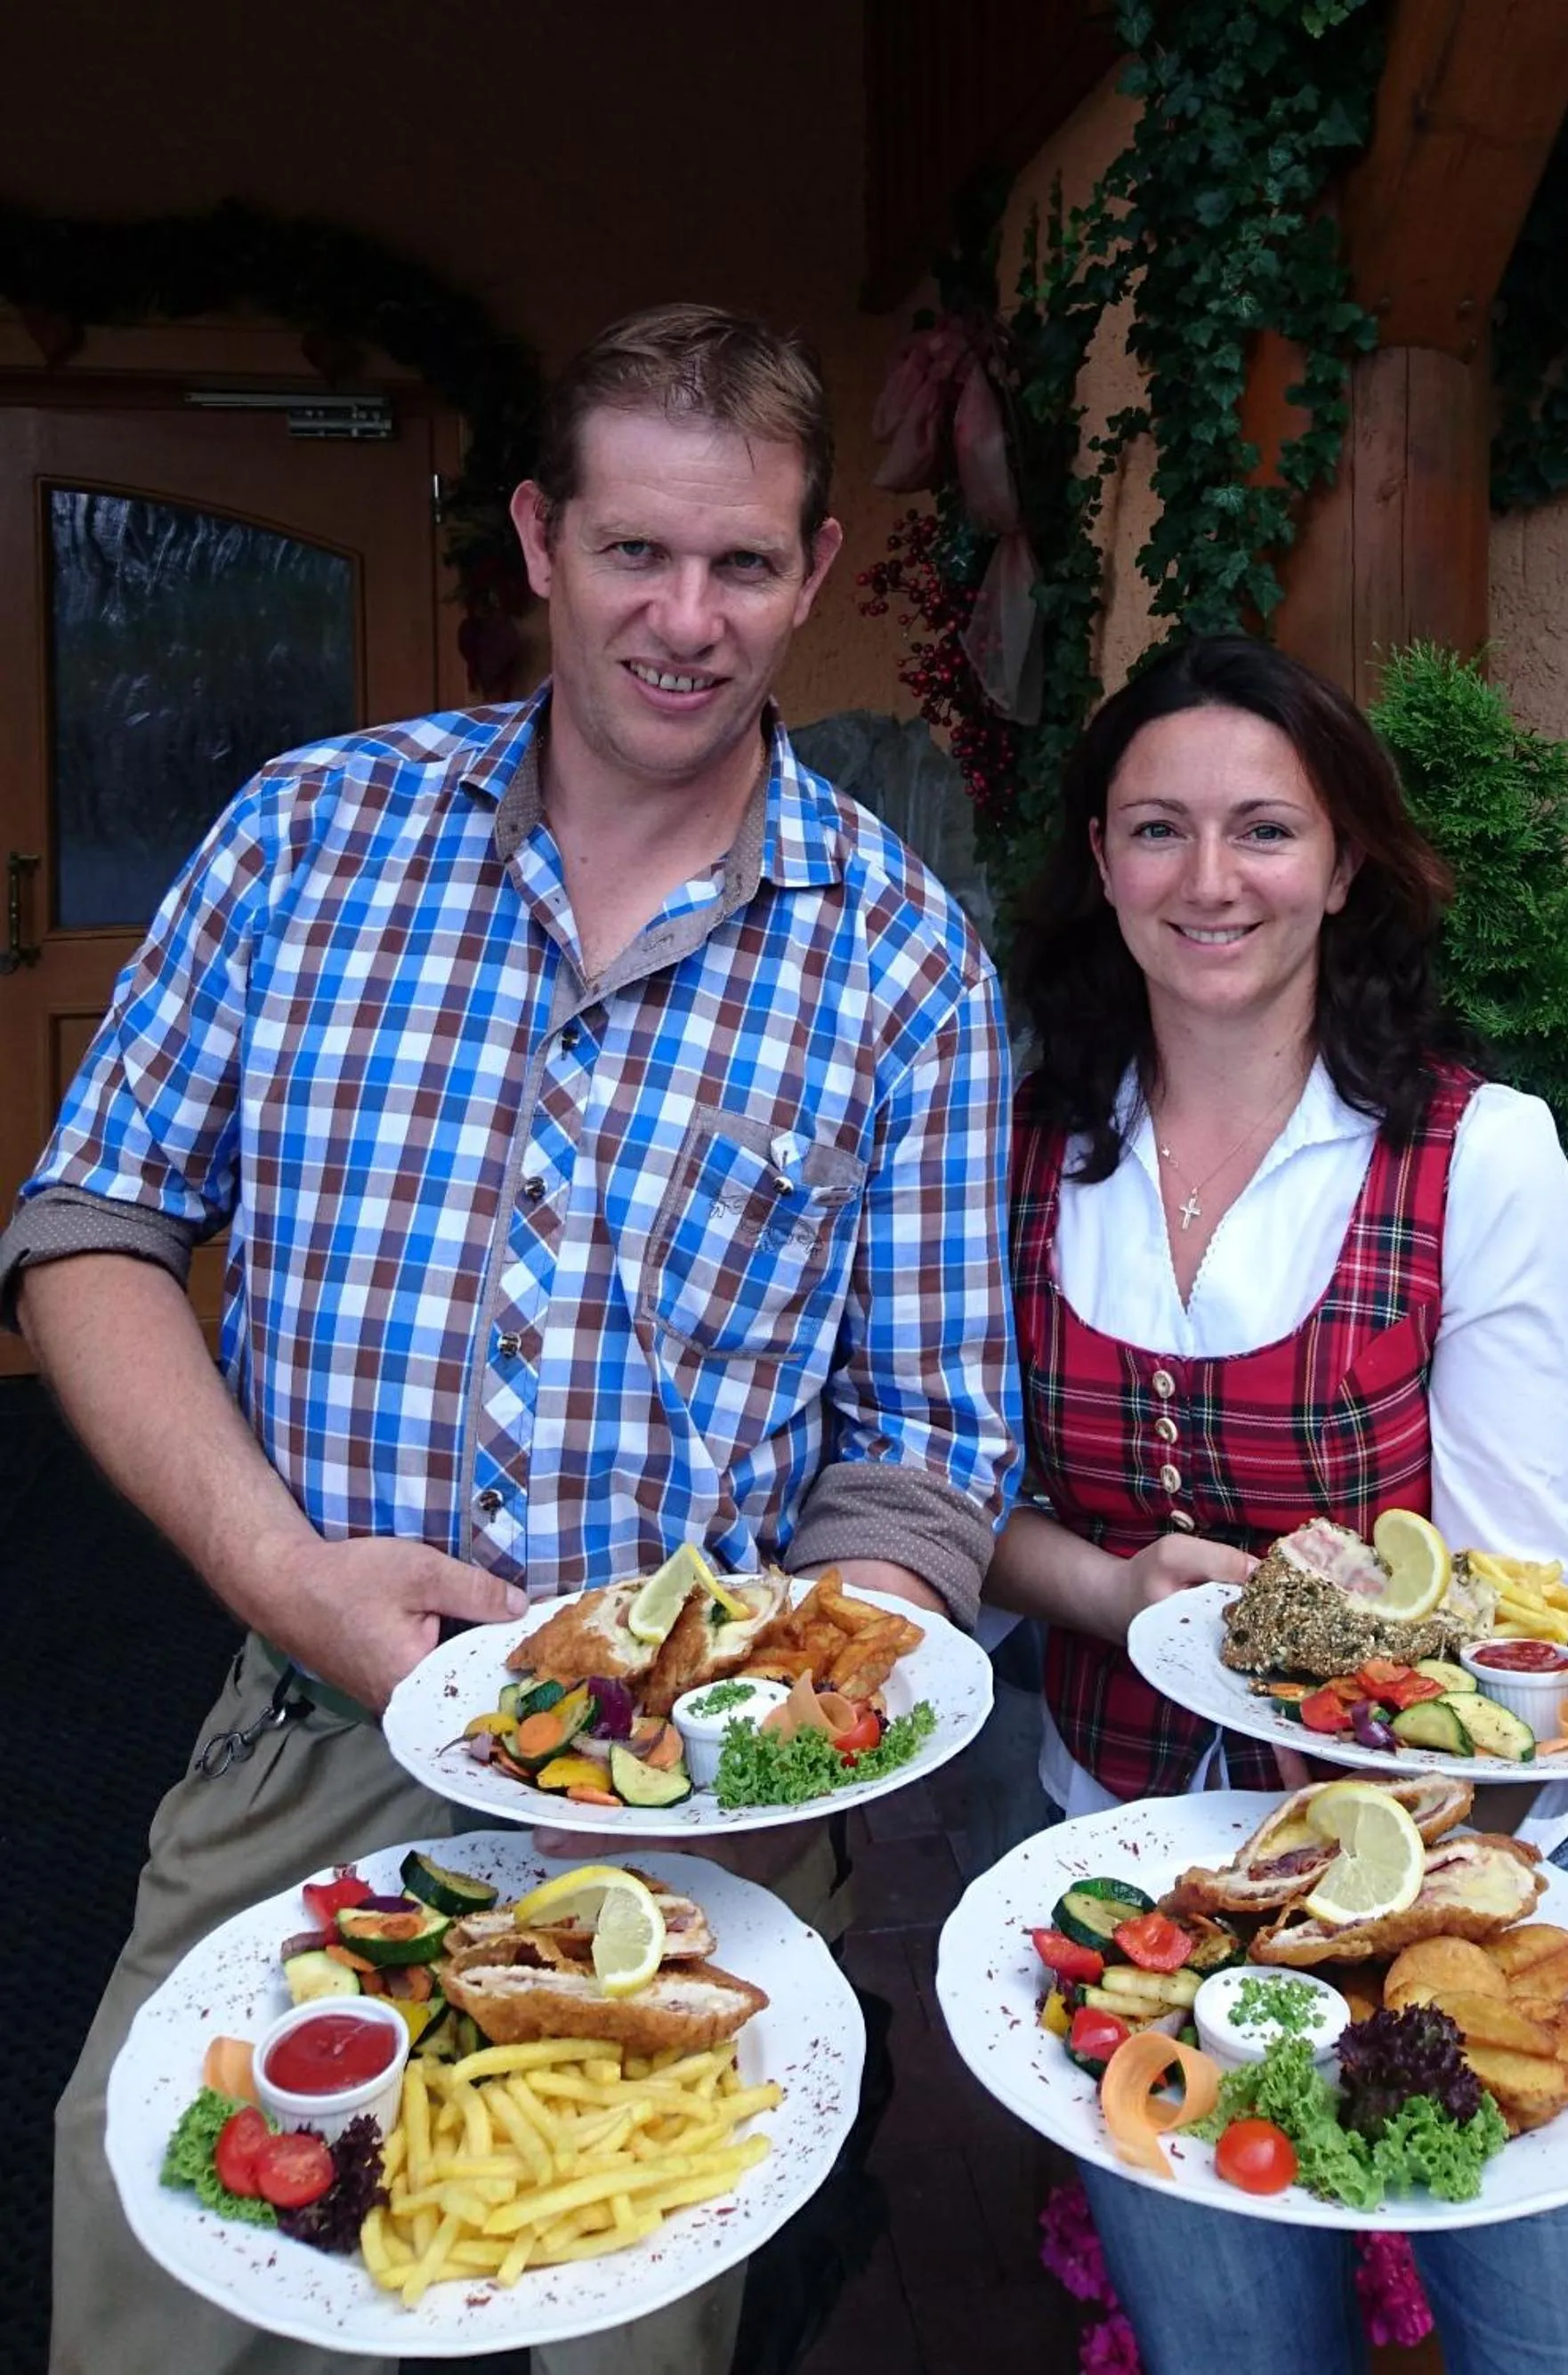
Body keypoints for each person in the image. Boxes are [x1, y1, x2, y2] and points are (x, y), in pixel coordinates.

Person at [4, 302, 1021, 2375]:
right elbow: (88, 1226)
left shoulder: (905, 961)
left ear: (818, 570)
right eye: (637, 549)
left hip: (684, 1822)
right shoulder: (311, 835)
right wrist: (281, 1572)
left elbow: (920, 1440)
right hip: (305, 1730)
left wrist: (775, 1727)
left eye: (743, 562)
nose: (686, 616)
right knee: (162, 2271)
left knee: (596, 2327)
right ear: (540, 539)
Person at [983, 634, 1568, 2375]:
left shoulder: (1481, 1155)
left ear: (1345, 863)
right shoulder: (1016, 1151)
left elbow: (1522, 1598)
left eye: (1265, 828)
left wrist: (1304, 1645)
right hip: (1158, 1872)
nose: (1212, 877)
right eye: (1158, 828)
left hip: (1490, 1876)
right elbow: (953, 1504)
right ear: (1099, 859)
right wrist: (1100, 1586)